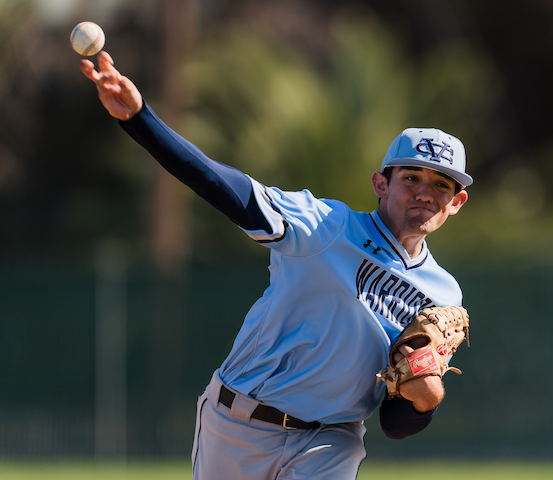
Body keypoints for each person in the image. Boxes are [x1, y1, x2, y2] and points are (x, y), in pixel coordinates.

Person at [80, 51, 471, 479]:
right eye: (410, 177)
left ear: (456, 202)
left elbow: (395, 424)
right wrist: (140, 119)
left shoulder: (443, 295)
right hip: (238, 423)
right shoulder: (325, 226)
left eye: (440, 184)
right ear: (381, 183)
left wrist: (425, 402)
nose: (424, 192)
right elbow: (218, 182)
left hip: (331, 441)